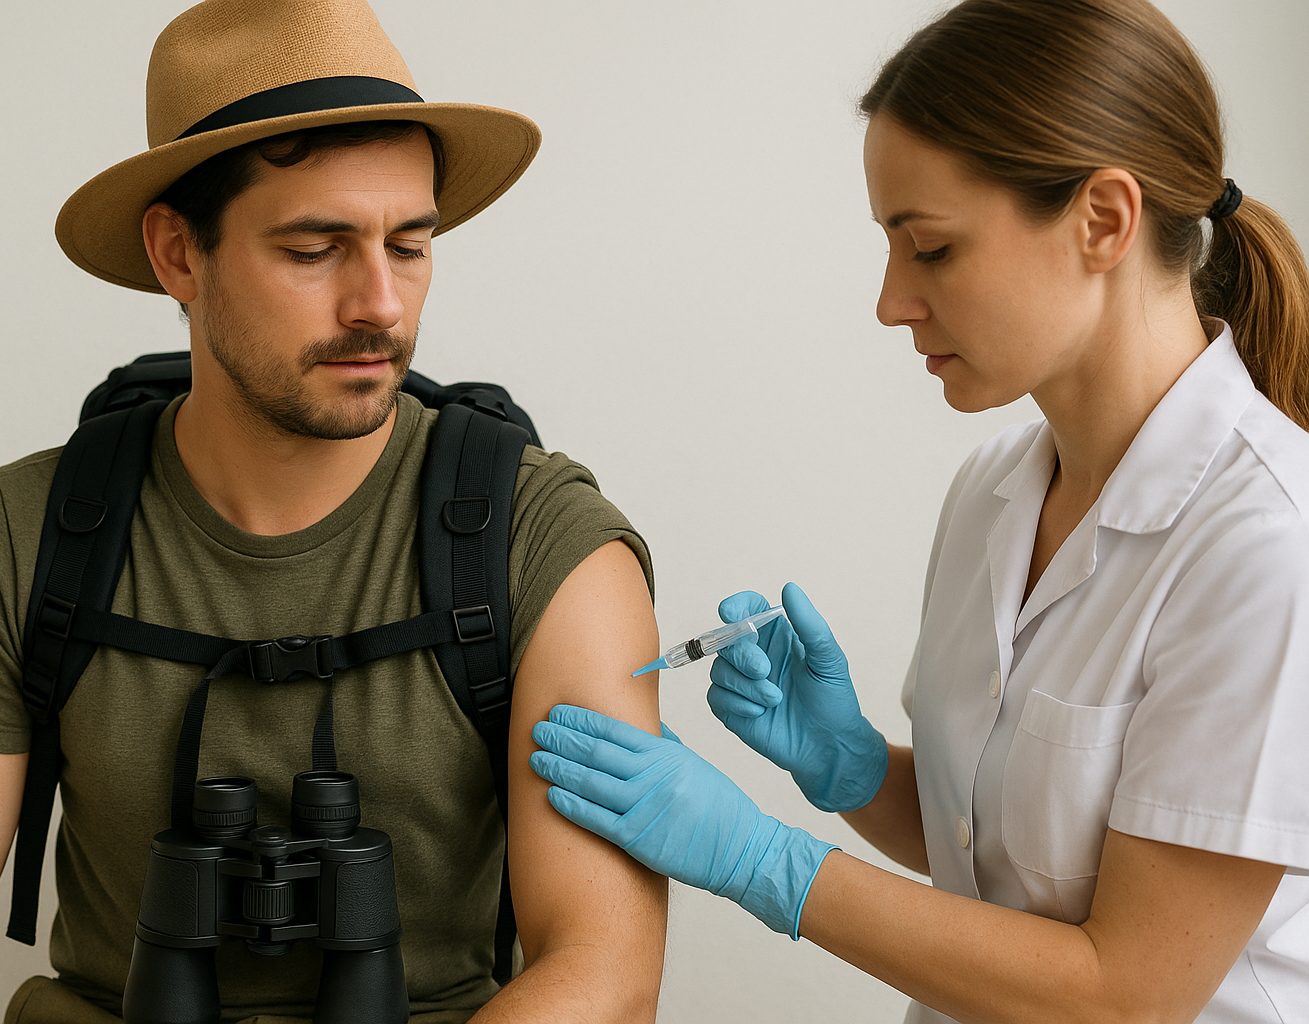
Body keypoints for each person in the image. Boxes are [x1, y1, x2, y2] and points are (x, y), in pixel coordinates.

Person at [0, 1, 668, 1022]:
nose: (381, 303)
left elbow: (605, 961)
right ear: (178, 254)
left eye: (408, 245)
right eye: (316, 247)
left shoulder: (544, 545)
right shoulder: (24, 530)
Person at [529, 0, 1309, 1021]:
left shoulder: (1267, 544)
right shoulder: (992, 493)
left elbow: (1125, 995)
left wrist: (767, 861)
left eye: (930, 248)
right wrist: (856, 771)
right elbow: (1004, 860)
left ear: (1104, 220)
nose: (891, 301)